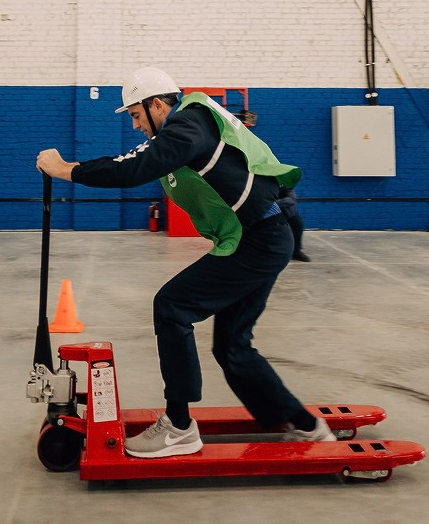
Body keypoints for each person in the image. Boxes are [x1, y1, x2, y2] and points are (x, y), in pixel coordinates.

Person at [36, 67, 334, 459]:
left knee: (172, 306)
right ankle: (306, 425)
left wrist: (65, 170)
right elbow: (136, 159)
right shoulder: (192, 123)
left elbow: (133, 168)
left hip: (258, 241)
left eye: (137, 115)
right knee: (232, 346)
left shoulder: (187, 124)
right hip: (261, 237)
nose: (136, 125)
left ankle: (178, 427)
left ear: (157, 104)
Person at [278, 187, 310, 262]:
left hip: (284, 212)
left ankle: (296, 251)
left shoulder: (286, 186)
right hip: (267, 212)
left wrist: (273, 203)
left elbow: (291, 200)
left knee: (297, 223)